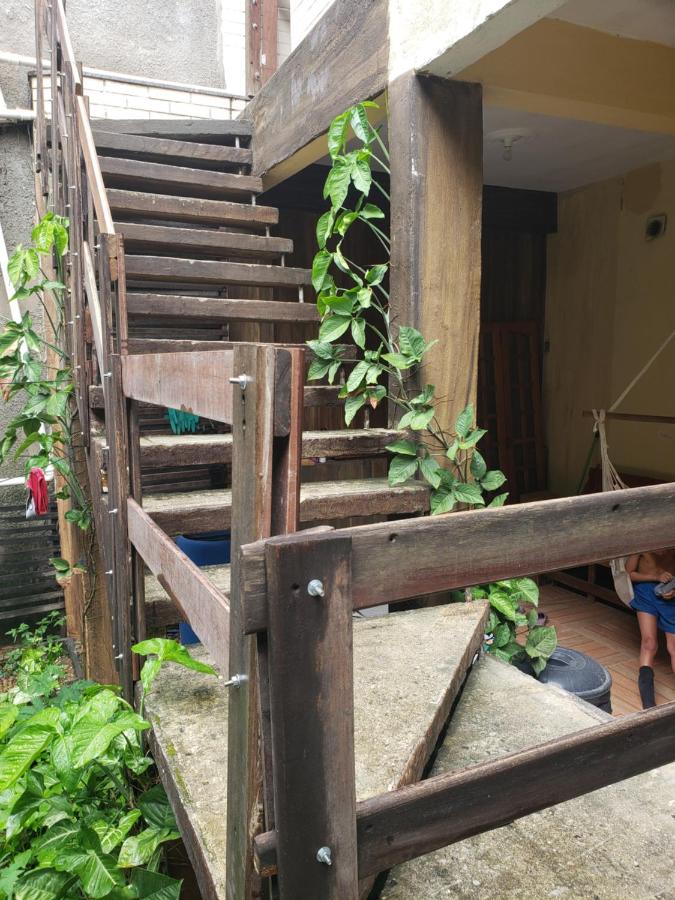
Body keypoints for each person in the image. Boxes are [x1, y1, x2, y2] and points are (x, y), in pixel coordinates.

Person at [625, 548, 675, 709]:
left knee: (673, 646)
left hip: (669, 593)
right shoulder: (642, 544)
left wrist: (673, 590)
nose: (661, 553)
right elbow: (629, 574)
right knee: (649, 643)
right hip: (645, 592)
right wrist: (655, 577)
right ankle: (648, 704)